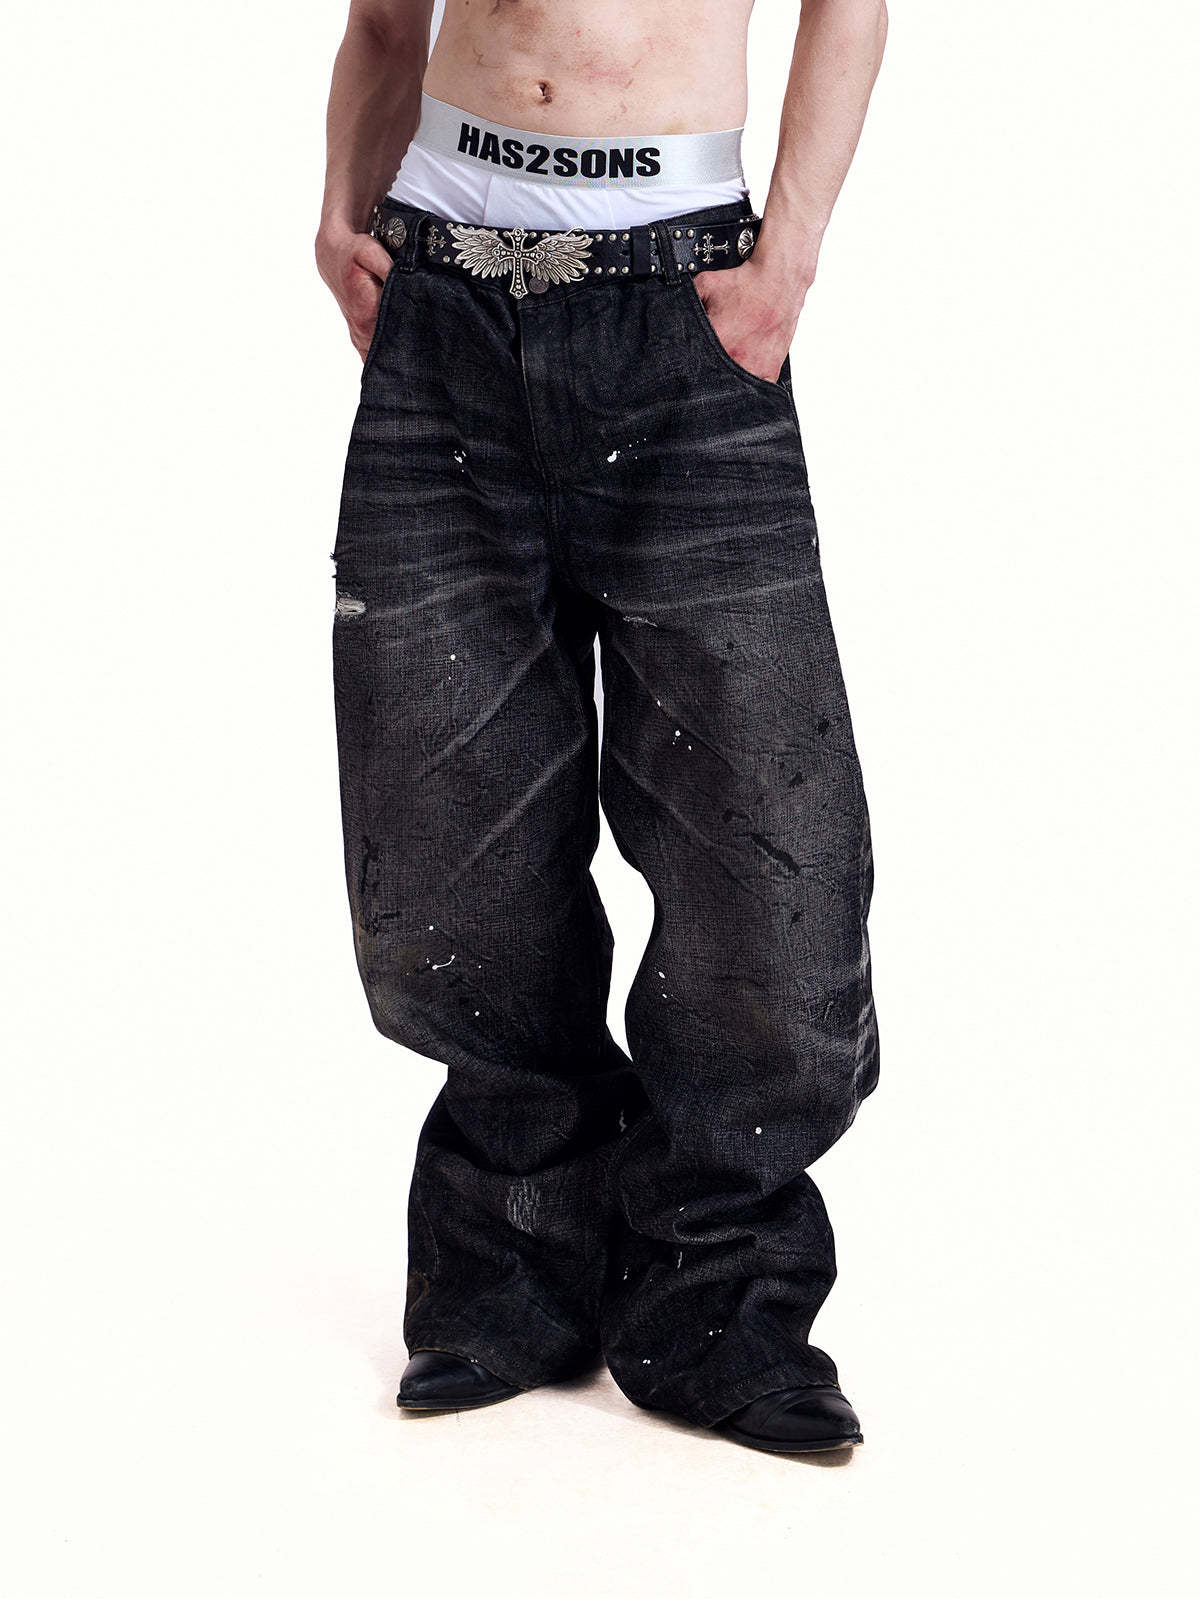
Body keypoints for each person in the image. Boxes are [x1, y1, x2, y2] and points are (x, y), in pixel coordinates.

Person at [316, 0, 887, 1456]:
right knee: (442, 855)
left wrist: (787, 260)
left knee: (772, 865)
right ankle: (510, 1269)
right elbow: (382, 22)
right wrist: (339, 214)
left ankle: (725, 1302)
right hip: (443, 304)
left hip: (685, 305)